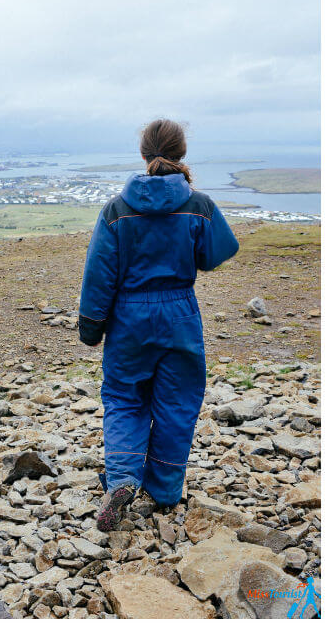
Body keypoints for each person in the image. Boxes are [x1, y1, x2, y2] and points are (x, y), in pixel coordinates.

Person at [78, 118, 238, 531]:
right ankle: (166, 490)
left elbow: (99, 275)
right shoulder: (197, 204)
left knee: (124, 397)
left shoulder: (116, 210)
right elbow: (219, 251)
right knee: (177, 401)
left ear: (143, 154)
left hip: (129, 319)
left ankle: (124, 479)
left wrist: (91, 327)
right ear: (181, 154)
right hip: (180, 314)